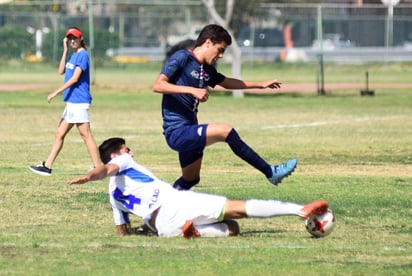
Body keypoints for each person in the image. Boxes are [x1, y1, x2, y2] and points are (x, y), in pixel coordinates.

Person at [67, 137, 329, 238]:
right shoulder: (121, 162)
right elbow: (105, 170)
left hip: (163, 227)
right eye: (126, 149)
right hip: (173, 203)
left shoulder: (112, 196)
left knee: (233, 229)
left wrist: (142, 231)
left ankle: (196, 234)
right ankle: (300, 210)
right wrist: (92, 175)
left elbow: (122, 231)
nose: (130, 152)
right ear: (117, 155)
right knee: (236, 210)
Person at [153, 24, 297, 191]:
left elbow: (228, 82)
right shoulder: (182, 58)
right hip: (176, 132)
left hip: (190, 130)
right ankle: (270, 171)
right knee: (226, 131)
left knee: (190, 179)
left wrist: (261, 85)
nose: (220, 55)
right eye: (219, 49)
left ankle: (162, 208)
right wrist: (192, 90)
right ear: (208, 43)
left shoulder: (206, 70)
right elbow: (158, 85)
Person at [30, 27, 101, 176]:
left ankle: (98, 168)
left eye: (75, 38)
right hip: (72, 102)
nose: (72, 40)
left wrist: (55, 92)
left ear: (81, 38)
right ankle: (47, 167)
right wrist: (65, 50)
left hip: (78, 101)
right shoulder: (73, 55)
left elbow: (75, 79)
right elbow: (61, 71)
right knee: (59, 133)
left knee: (86, 135)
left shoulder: (82, 55)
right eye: (70, 38)